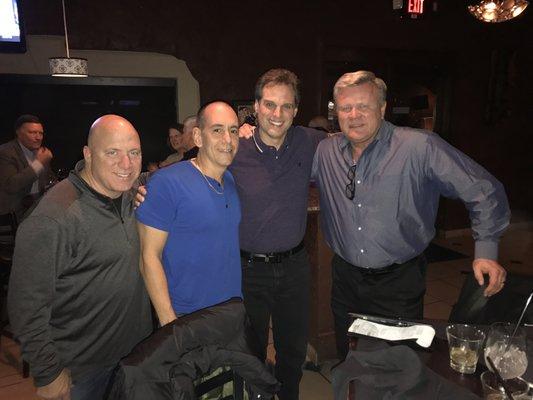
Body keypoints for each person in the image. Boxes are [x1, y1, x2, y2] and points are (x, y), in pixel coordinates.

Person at [312, 70, 510, 359]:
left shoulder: (419, 147)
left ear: (382, 108)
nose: (354, 115)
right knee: (350, 356)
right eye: (345, 107)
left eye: (364, 106)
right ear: (336, 112)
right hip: (345, 279)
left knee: (398, 364)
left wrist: (486, 250)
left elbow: (483, 190)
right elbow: (285, 163)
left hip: (399, 282)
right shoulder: (325, 151)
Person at [8, 115, 153, 400]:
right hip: (83, 371)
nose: (126, 164)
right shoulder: (55, 217)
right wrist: (48, 371)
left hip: (137, 356)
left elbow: (179, 172)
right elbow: (25, 304)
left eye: (134, 153)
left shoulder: (131, 192)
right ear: (88, 154)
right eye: (112, 152)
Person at [230, 69, 326, 400]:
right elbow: (194, 169)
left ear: (296, 110)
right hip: (248, 269)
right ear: (255, 107)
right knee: (251, 349)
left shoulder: (310, 141)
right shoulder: (234, 148)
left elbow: (350, 145)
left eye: (286, 106)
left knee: (293, 348)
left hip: (294, 266)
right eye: (269, 104)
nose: (277, 114)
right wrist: (145, 188)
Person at [136, 101, 242, 323]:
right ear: (198, 137)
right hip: (187, 317)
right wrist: (170, 324)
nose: (227, 139)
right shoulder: (167, 182)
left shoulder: (230, 181)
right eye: (217, 130)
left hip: (230, 310)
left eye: (233, 130)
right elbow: (148, 257)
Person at [0, 114, 55, 219]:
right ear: (18, 133)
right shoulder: (6, 152)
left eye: (41, 133)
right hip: (14, 212)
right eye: (32, 133)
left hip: (37, 206)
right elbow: (10, 186)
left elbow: (48, 181)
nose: (38, 137)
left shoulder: (42, 153)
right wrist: (38, 164)